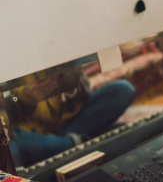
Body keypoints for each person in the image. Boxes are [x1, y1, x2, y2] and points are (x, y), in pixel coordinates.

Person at [7, 68, 135, 167]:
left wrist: (71, 88)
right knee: (7, 141)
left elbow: (85, 88)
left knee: (123, 90)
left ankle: (66, 144)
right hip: (30, 135)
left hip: (68, 123)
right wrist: (23, 99)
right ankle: (77, 143)